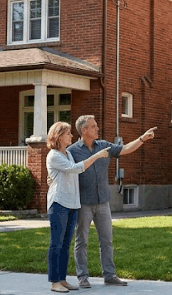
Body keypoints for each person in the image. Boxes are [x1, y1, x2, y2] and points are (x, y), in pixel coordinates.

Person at [68, 115, 156, 288]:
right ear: (84, 130)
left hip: (103, 202)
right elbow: (64, 169)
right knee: (82, 241)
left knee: (107, 240)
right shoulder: (72, 151)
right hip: (83, 202)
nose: (97, 129)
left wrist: (141, 139)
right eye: (93, 127)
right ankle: (83, 277)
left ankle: (109, 275)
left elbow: (125, 149)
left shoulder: (104, 146)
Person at [46, 121, 110, 293]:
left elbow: (69, 173)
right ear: (58, 136)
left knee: (66, 244)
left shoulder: (67, 154)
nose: (71, 136)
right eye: (68, 134)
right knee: (56, 243)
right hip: (59, 203)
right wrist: (96, 156)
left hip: (73, 204)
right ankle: (54, 282)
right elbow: (75, 169)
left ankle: (62, 279)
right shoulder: (54, 155)